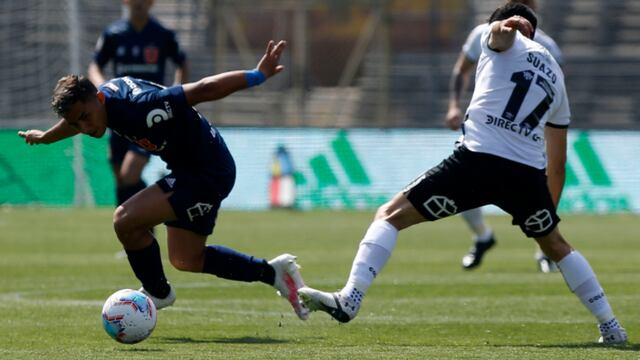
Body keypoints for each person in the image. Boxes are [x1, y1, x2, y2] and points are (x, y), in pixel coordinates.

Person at [298, 4, 627, 344]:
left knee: (390, 215)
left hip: (477, 161)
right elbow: (557, 164)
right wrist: (548, 214)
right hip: (526, 176)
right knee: (557, 245)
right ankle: (611, 325)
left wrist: (505, 25)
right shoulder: (557, 76)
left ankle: (351, 297)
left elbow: (499, 37)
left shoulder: (499, 38)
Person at [18, 40, 310, 321]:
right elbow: (72, 120)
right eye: (76, 123)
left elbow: (204, 89)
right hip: (191, 170)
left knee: (124, 219)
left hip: (206, 172)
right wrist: (46, 137)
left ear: (97, 98)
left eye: (85, 117)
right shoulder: (101, 102)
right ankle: (273, 273)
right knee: (186, 259)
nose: (84, 127)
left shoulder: (141, 107)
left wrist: (258, 75)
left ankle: (157, 293)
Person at [445, 0, 562, 273]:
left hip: (524, 136)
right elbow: (461, 69)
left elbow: (554, 94)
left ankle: (544, 248)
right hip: (486, 130)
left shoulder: (547, 46)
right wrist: (453, 105)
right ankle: (483, 237)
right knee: (461, 184)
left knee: (539, 194)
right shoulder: (484, 33)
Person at [88, 0, 190, 207]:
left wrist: (175, 94)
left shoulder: (163, 34)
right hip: (117, 115)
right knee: (120, 179)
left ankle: (141, 220)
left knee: (129, 174)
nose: (139, 3)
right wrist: (104, 89)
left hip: (149, 117)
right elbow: (95, 66)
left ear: (152, 2)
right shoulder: (113, 34)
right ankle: (138, 230)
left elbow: (182, 63)